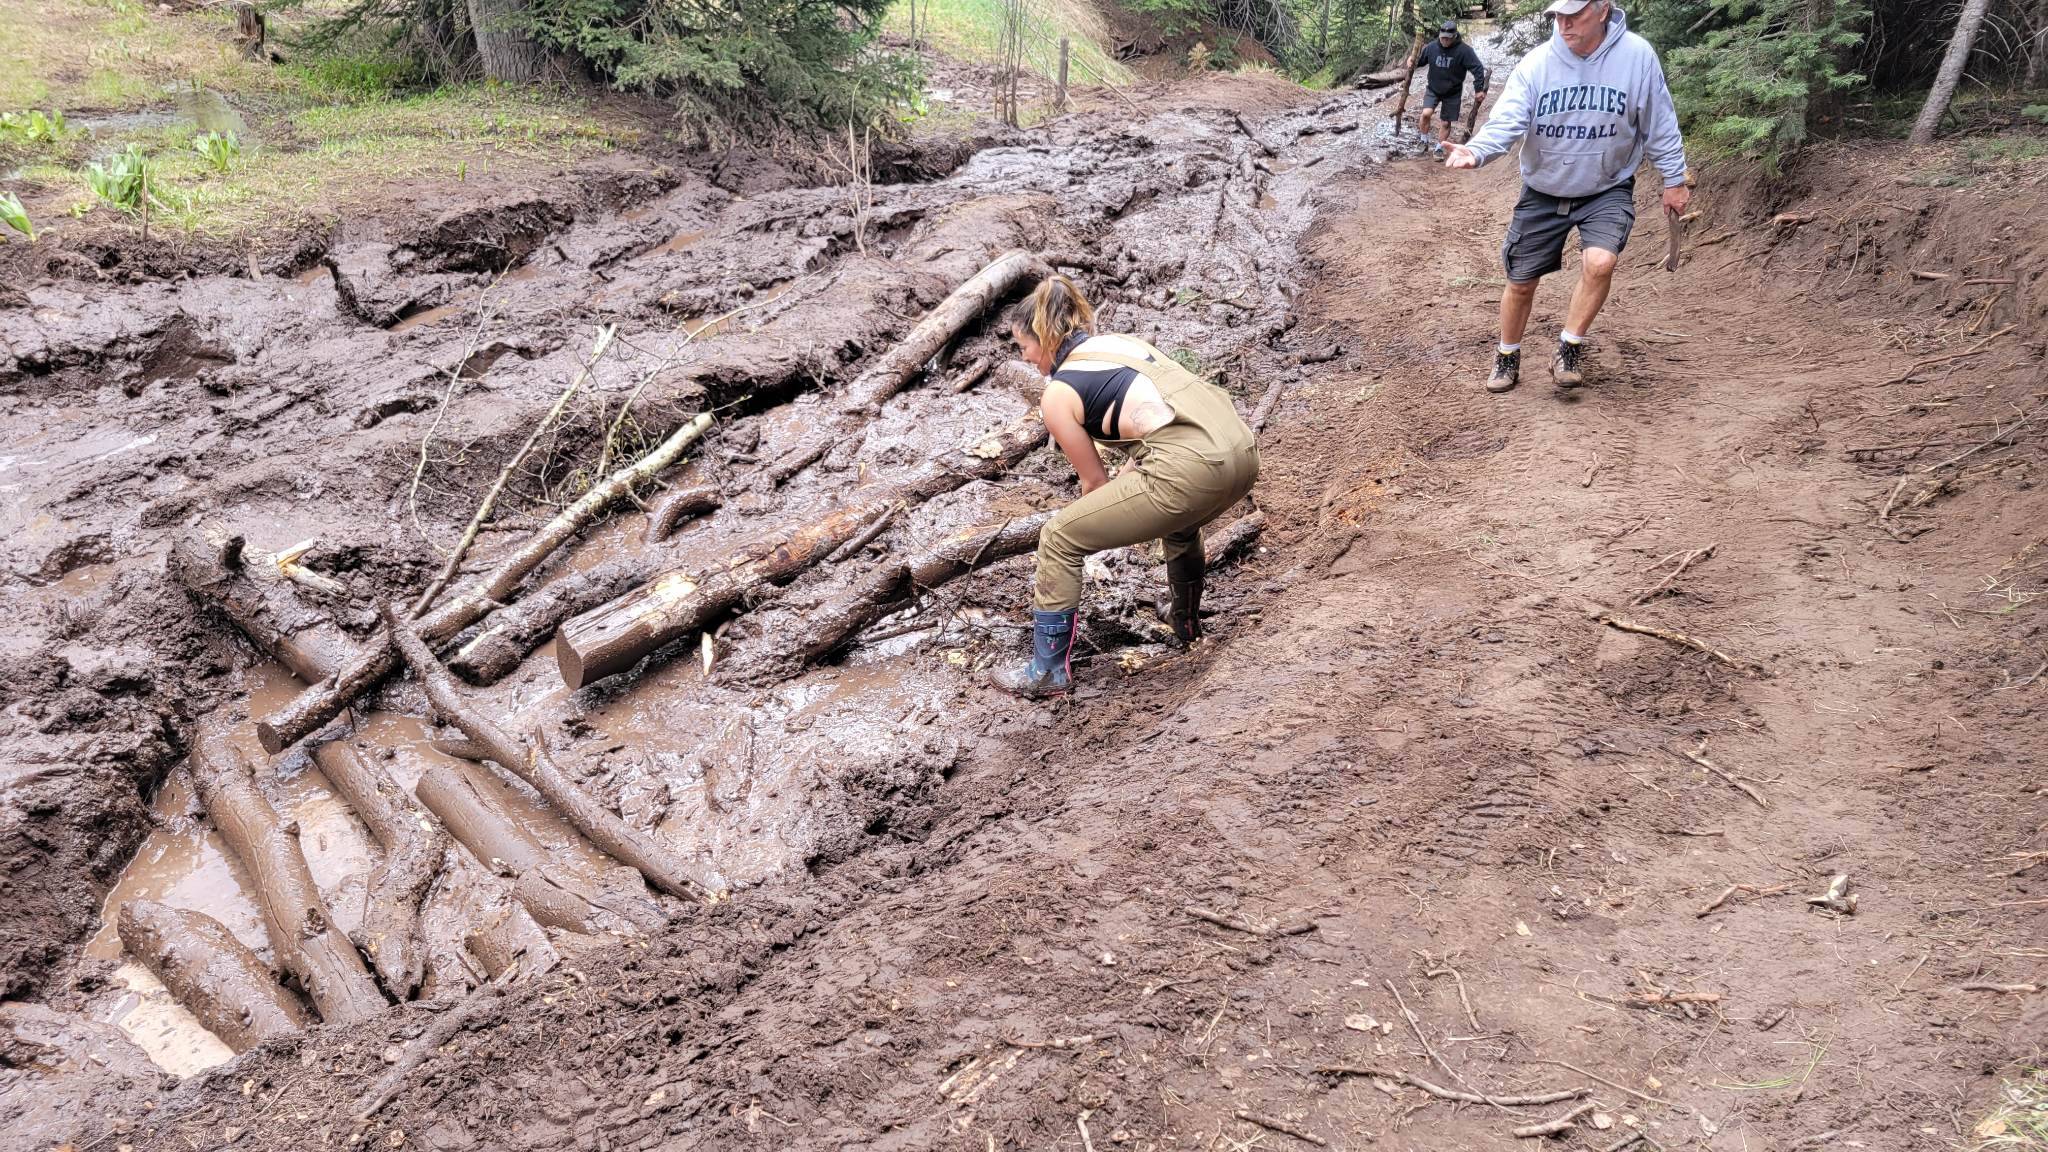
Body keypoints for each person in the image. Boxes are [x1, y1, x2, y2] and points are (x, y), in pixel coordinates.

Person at [991, 276, 1260, 699]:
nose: (1024, 357)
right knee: (1180, 523)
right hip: (1242, 453)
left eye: (1023, 346)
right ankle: (1185, 622)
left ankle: (1046, 673)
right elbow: (1158, 424)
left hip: (1192, 470)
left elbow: (1094, 482)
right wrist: (1125, 496)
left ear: (1044, 338)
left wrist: (1091, 533)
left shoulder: (1058, 394)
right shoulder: (1120, 344)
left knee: (1059, 537)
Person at [1442, 0, 1689, 393]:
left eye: (1574, 15)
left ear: (1603, 10)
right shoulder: (1537, 64)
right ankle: (1507, 354)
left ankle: (1569, 347)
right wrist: (1477, 150)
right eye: (1558, 15)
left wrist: (1674, 179)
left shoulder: (1637, 57)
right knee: (1521, 282)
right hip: (1544, 189)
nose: (1564, 24)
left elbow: (1659, 121)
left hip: (1607, 186)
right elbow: (1508, 120)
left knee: (1601, 262)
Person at [1412, 19, 1488, 144]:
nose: (1445, 41)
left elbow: (1478, 68)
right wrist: (1412, 61)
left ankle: (1440, 147)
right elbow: (1419, 61)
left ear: (1454, 36)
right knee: (1426, 113)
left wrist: (1479, 89)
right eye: (1443, 38)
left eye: (1448, 38)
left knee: (1446, 123)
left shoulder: (1464, 51)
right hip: (1433, 88)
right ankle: (1423, 140)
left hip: (1453, 92)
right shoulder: (1432, 47)